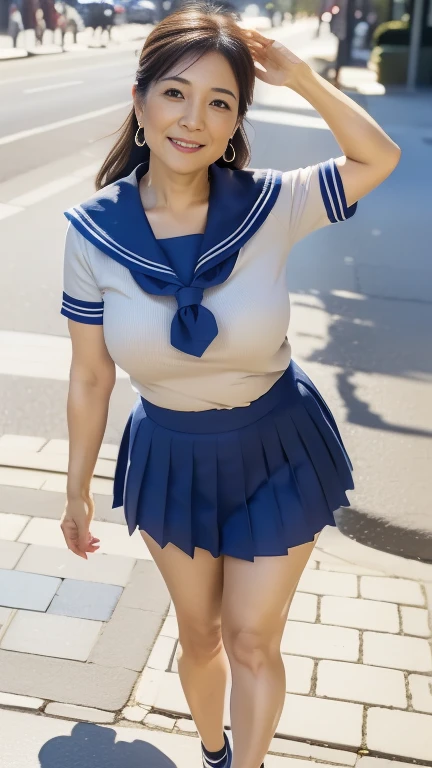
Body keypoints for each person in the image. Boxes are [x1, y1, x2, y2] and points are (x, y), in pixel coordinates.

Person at [59, 4, 400, 767]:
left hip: (279, 444)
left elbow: (378, 160)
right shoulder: (93, 232)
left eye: (221, 102)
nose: (195, 118)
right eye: (176, 93)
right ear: (140, 101)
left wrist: (304, 77)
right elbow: (90, 374)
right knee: (201, 635)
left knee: (251, 636)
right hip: (172, 454)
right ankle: (213, 748)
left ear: (238, 120)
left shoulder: (272, 202)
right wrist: (77, 489)